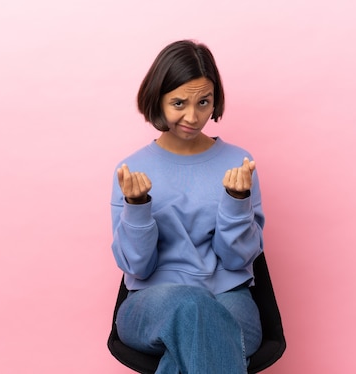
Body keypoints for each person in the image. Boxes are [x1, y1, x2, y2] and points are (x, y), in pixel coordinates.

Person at [110, 40, 264, 374]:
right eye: (179, 102)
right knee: (192, 307)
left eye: (204, 102)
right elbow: (138, 266)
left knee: (196, 338)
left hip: (229, 299)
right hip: (152, 302)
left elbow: (238, 260)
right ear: (158, 99)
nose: (193, 117)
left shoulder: (239, 164)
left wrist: (238, 203)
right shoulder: (131, 170)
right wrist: (137, 208)